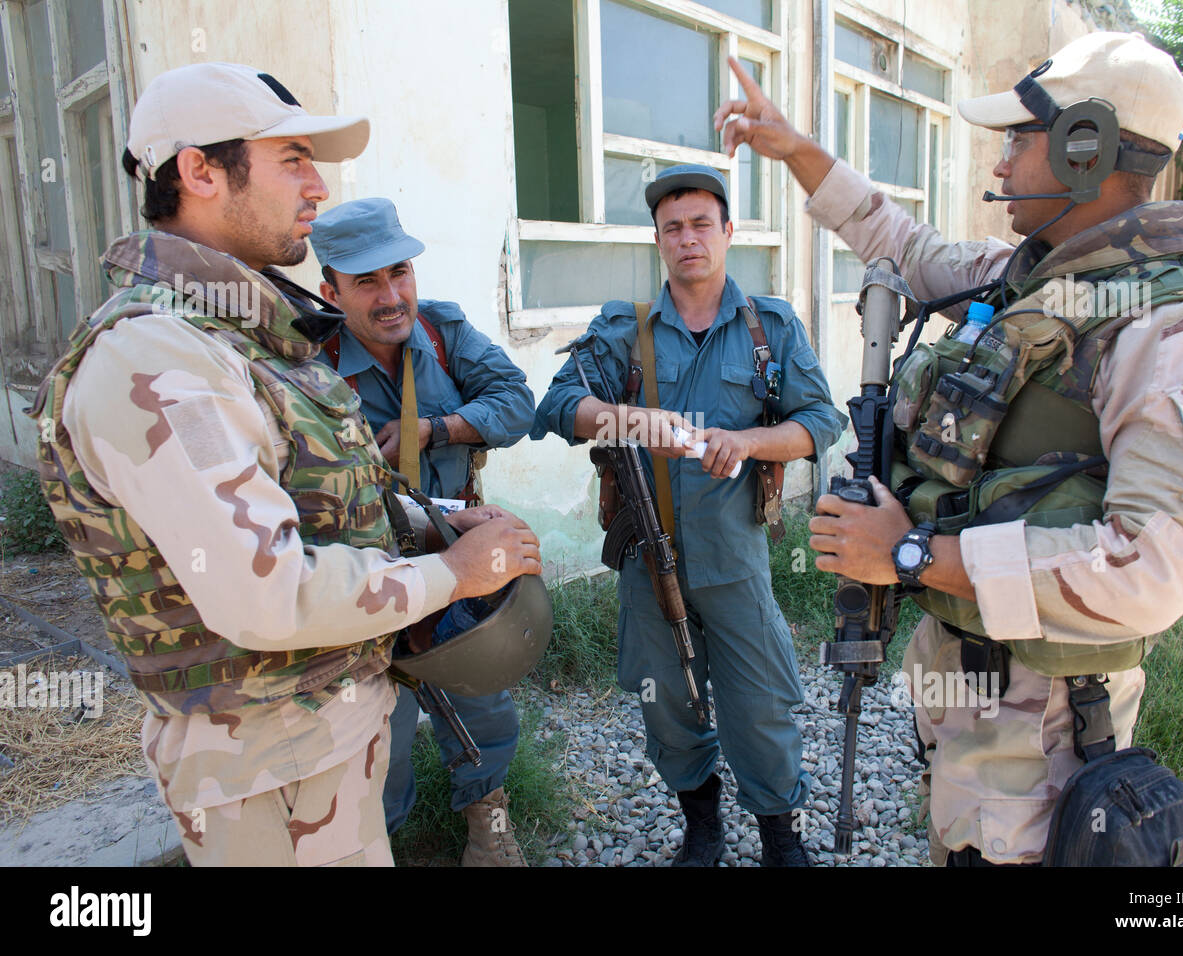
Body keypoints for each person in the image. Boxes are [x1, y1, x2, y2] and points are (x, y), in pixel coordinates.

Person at [715, 32, 1183, 866]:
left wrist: (912, 555)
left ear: (1081, 150)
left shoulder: (1180, 332)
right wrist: (795, 149)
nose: (1000, 167)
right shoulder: (1040, 280)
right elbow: (902, 247)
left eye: (1019, 142)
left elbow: (1154, 569)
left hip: (1049, 730)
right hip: (977, 702)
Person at [28, 62, 541, 866]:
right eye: (292, 159)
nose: (316, 187)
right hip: (263, 769)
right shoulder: (160, 355)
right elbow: (267, 594)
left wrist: (433, 523)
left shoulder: (244, 335)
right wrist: (454, 574)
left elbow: (309, 498)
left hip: (316, 744)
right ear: (198, 171)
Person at [533, 165, 846, 866]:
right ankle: (701, 826)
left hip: (736, 555)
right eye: (673, 228)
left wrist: (751, 441)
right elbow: (554, 407)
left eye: (702, 224)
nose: (688, 239)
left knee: (760, 702)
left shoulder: (771, 328)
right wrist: (627, 419)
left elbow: (822, 420)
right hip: (648, 555)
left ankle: (778, 836)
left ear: (728, 232)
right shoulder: (625, 329)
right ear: (658, 241)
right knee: (665, 703)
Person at [310, 197, 536, 866]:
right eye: (367, 282)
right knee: (382, 725)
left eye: (400, 273)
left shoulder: (443, 334)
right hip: (367, 578)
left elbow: (517, 404)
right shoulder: (306, 365)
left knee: (483, 700)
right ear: (331, 291)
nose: (391, 296)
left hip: (459, 557)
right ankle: (382, 842)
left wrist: (438, 428)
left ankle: (487, 829)